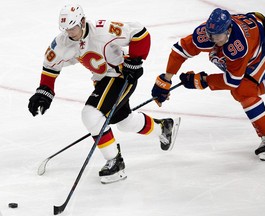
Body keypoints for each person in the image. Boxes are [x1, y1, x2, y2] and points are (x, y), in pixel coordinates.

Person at [28, 4, 181, 184]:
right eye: (66, 29)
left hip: (121, 76)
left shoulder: (103, 30)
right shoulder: (63, 42)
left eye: (73, 27)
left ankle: (115, 162)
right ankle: (163, 128)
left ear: (83, 21)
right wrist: (45, 91)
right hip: (103, 82)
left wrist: (136, 60)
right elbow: (50, 64)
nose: (70, 32)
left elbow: (139, 32)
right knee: (124, 122)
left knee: (91, 115)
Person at [151, 8, 265, 161]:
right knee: (249, 88)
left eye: (217, 36)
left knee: (243, 91)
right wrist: (166, 79)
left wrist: (202, 81)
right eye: (210, 34)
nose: (213, 39)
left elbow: (232, 81)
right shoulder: (207, 34)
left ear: (228, 30)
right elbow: (180, 50)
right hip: (251, 36)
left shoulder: (238, 45)